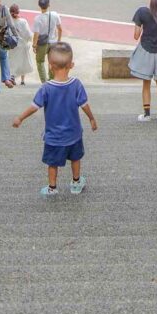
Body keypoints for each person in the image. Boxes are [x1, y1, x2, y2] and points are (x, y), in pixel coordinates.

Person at [13, 42, 97, 197]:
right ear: (71, 65)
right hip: (74, 134)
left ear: (50, 65)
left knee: (52, 163)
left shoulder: (46, 88)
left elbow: (34, 107)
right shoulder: (76, 85)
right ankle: (76, 183)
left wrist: (20, 118)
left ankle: (52, 188)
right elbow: (84, 105)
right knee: (75, 158)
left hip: (53, 136)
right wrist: (92, 119)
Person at [32, 0, 63, 84]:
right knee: (52, 62)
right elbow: (60, 29)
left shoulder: (38, 19)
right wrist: (59, 41)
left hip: (42, 44)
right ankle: (52, 79)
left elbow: (36, 34)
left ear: (39, 6)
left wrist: (34, 45)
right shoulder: (55, 15)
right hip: (53, 42)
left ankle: (44, 82)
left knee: (40, 62)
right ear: (49, 5)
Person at [7, 4, 35, 86]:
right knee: (23, 62)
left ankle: (12, 76)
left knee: (13, 62)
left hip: (12, 45)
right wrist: (31, 39)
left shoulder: (8, 21)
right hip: (22, 45)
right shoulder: (23, 21)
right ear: (18, 12)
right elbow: (28, 34)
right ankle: (22, 81)